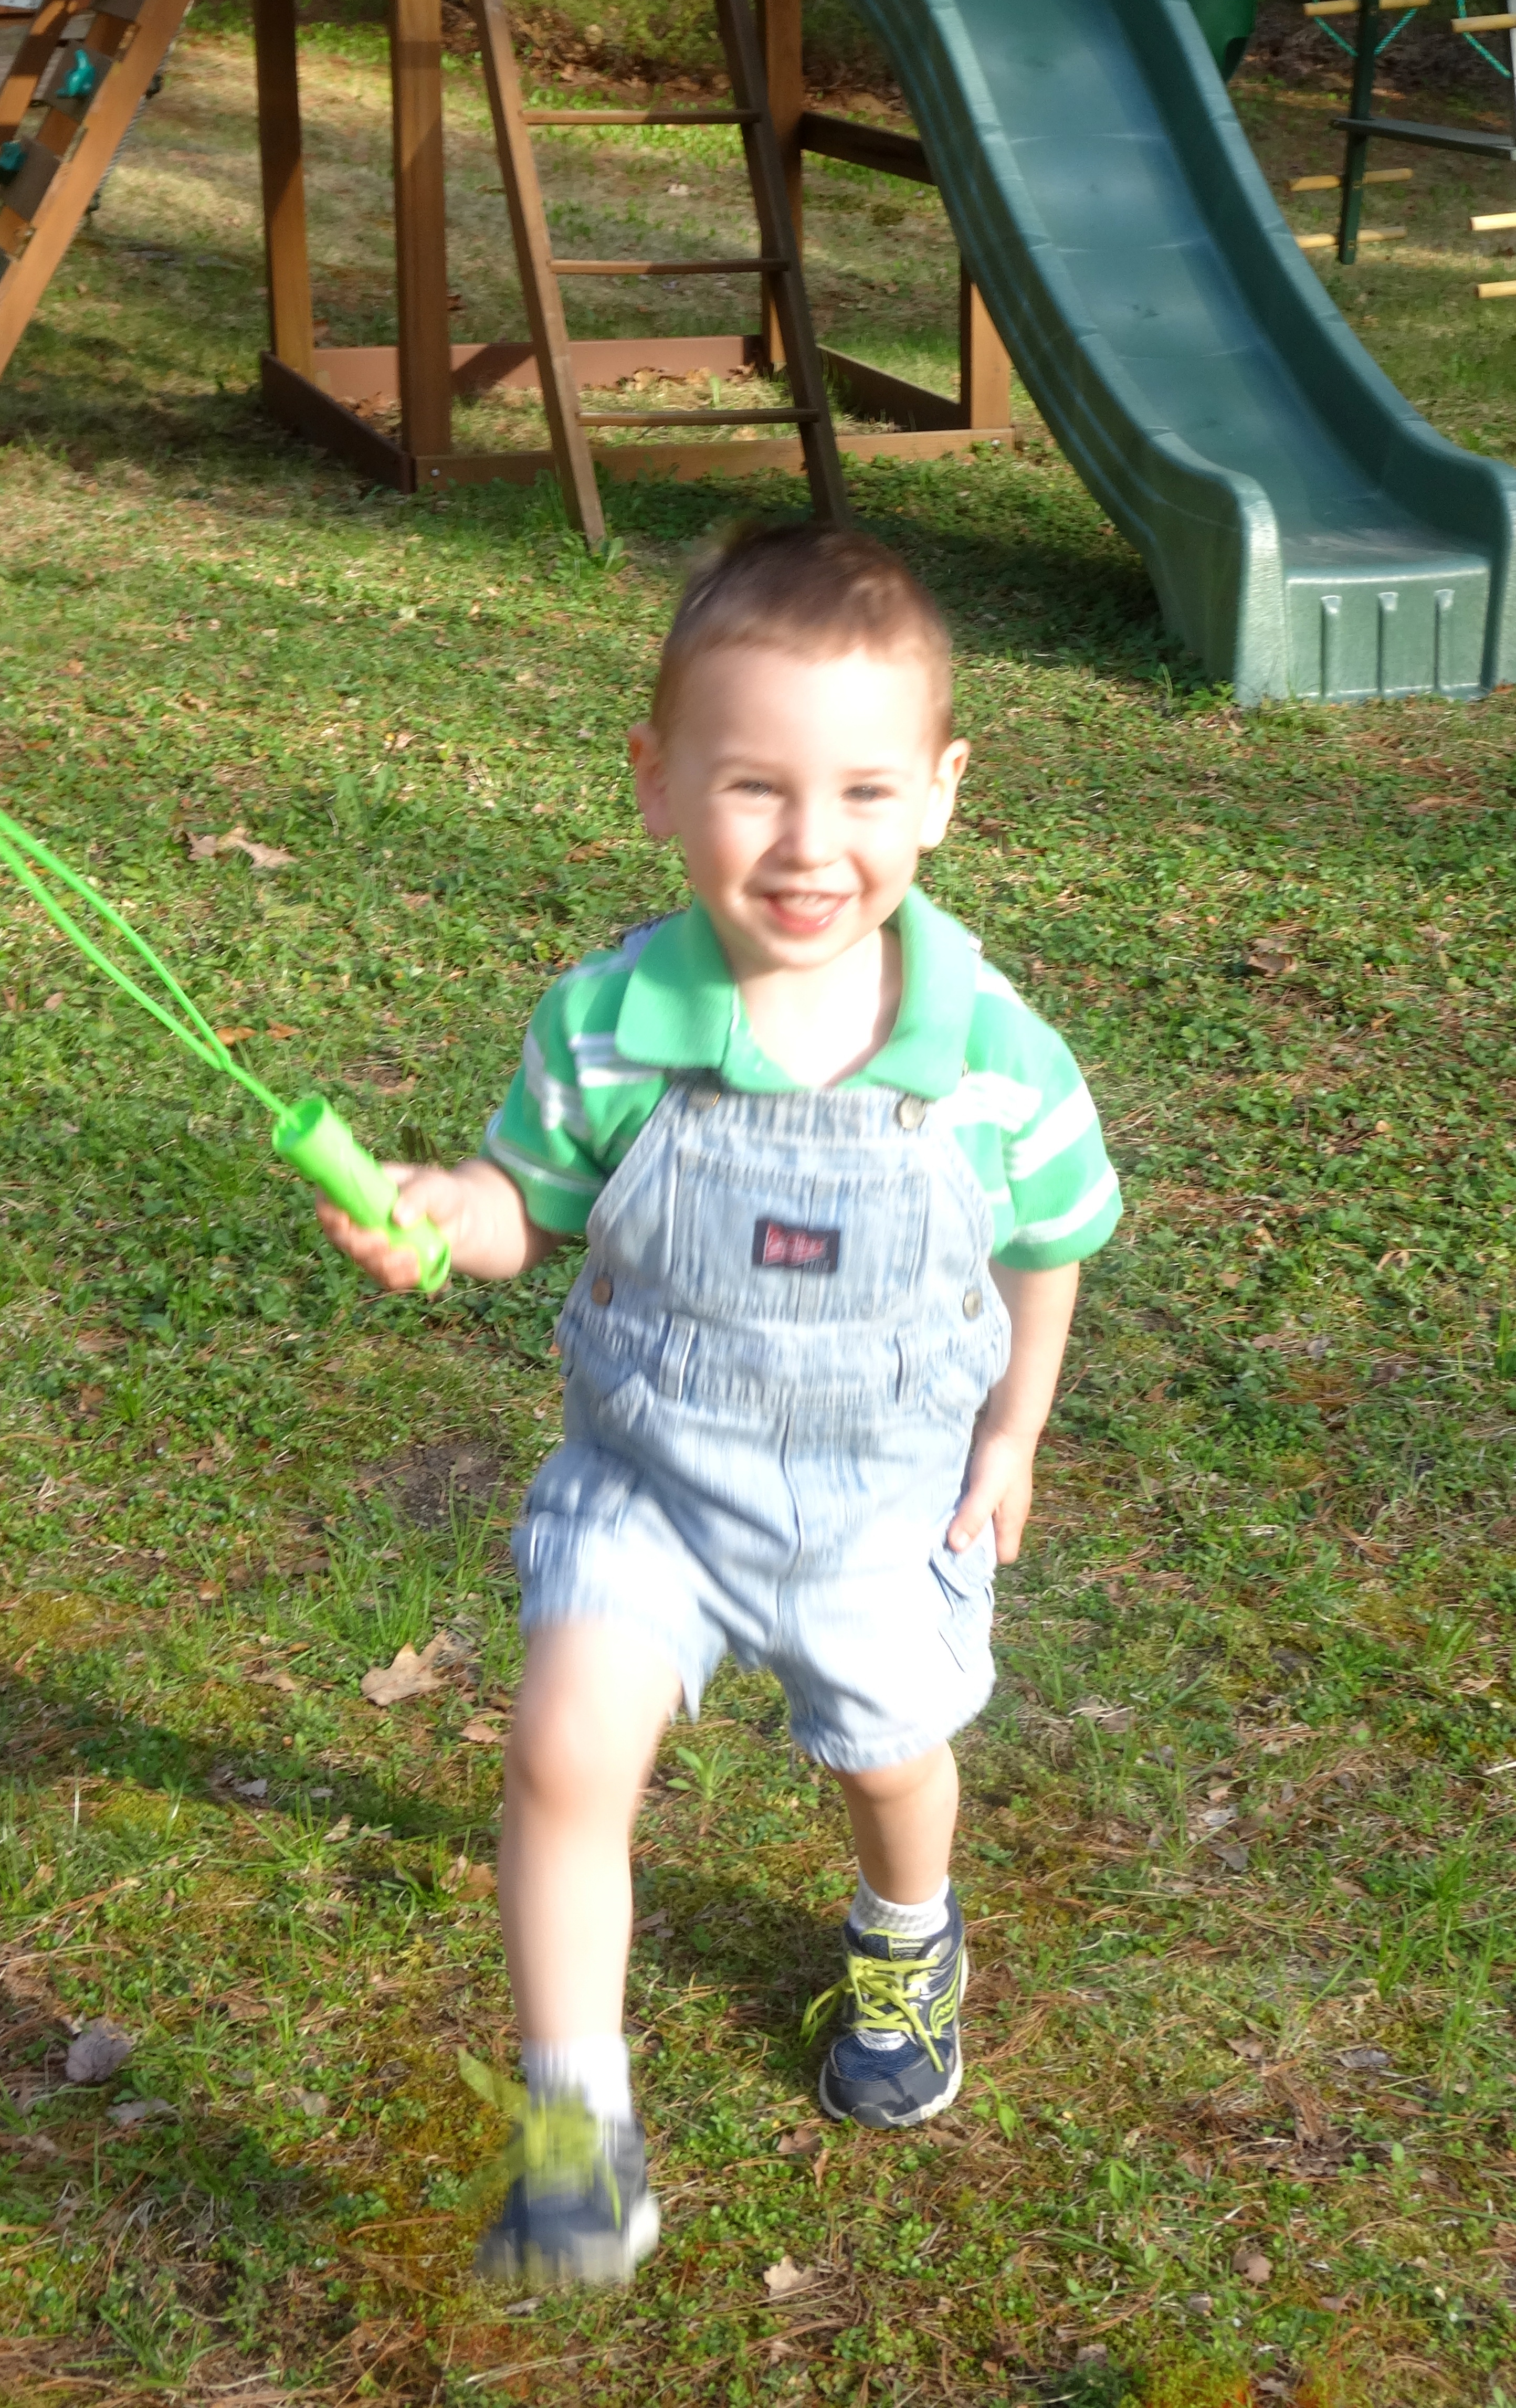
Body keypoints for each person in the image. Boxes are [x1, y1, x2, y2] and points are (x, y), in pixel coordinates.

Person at [317, 524, 1122, 2289]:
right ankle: (572, 2133)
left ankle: (907, 1930)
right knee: (559, 1750)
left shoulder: (991, 1052)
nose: (810, 842)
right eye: (756, 785)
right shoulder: (610, 1022)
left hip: (880, 1500)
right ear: (659, 781)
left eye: (863, 791)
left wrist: (1014, 1432)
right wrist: (446, 1214)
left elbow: (1051, 1238)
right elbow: (526, 1206)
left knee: (889, 1761)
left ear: (943, 793)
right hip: (653, 1481)